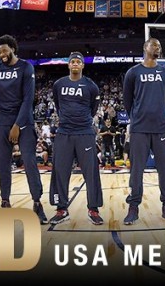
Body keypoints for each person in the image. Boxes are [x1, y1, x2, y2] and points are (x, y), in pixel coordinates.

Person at [0, 34, 47, 224]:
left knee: (30, 162)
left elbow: (28, 99)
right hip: (3, 121)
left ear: (13, 49)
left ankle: (36, 203)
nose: (2, 53)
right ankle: (5, 203)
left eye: (5, 50)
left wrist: (18, 125)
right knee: (2, 164)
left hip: (23, 120)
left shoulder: (26, 67)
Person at [122, 38, 165, 225]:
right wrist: (137, 117)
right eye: (154, 45)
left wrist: (162, 115)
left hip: (161, 128)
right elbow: (128, 101)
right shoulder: (133, 73)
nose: (158, 48)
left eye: (159, 46)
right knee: (136, 170)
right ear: (145, 48)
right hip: (139, 128)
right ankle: (133, 207)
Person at [49, 52, 104, 225]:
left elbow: (93, 108)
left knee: (91, 172)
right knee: (60, 171)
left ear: (82, 65)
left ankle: (93, 209)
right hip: (64, 133)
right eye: (72, 61)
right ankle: (61, 209)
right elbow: (58, 106)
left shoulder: (91, 85)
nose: (74, 64)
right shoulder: (59, 84)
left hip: (84, 133)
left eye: (78, 62)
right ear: (68, 65)